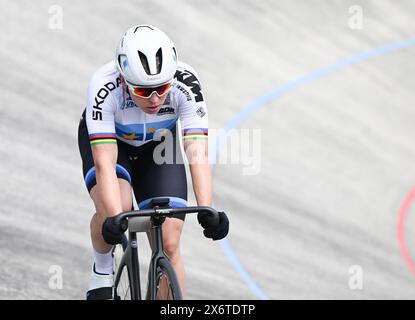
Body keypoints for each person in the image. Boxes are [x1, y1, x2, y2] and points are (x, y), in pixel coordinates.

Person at [77, 24, 229, 300]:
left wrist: (208, 207)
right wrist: (113, 219)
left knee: (170, 241)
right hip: (113, 144)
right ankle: (101, 270)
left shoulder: (186, 82)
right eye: (144, 91)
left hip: (159, 145)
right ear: (123, 80)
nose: (156, 98)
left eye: (162, 88)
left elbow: (196, 150)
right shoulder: (103, 85)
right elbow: (105, 162)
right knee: (119, 206)